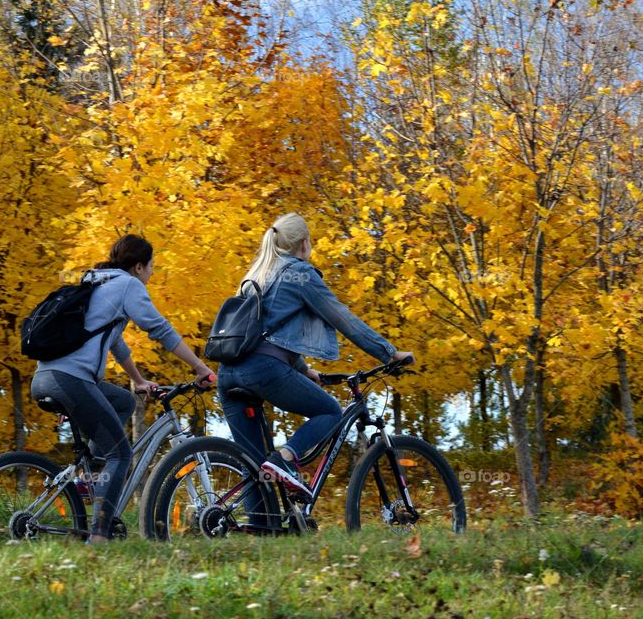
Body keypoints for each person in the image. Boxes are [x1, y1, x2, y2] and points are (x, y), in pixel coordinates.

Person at [30, 234, 215, 542]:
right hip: (72, 380)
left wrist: (137, 380)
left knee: (124, 402)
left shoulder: (95, 283)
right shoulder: (129, 285)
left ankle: (89, 479)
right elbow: (159, 329)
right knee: (121, 454)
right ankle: (99, 538)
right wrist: (199, 367)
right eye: (152, 267)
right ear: (139, 266)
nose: (153, 273)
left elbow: (113, 339)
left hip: (46, 377)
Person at [217, 213, 413, 500]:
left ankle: (259, 526)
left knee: (254, 462)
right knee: (330, 411)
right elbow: (342, 318)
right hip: (261, 370)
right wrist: (389, 353)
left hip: (228, 371)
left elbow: (266, 330)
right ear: (305, 244)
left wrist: (304, 369)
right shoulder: (300, 274)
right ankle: (287, 457)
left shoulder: (256, 274)